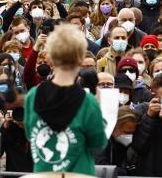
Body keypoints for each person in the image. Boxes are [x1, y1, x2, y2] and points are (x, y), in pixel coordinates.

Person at [23, 23, 107, 174]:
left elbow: (30, 135)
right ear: (81, 58)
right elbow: (98, 143)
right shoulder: (88, 101)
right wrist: (98, 107)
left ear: (49, 58)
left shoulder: (32, 96)